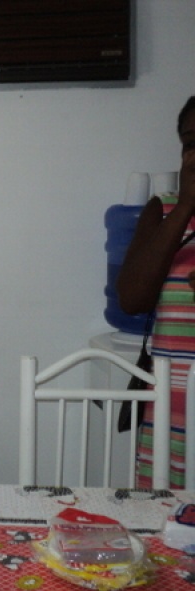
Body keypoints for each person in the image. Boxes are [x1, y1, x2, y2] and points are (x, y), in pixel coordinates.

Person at [117, 95, 195, 489]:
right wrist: (184, 208)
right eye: (190, 142)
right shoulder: (162, 210)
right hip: (172, 407)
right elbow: (132, 300)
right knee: (165, 530)